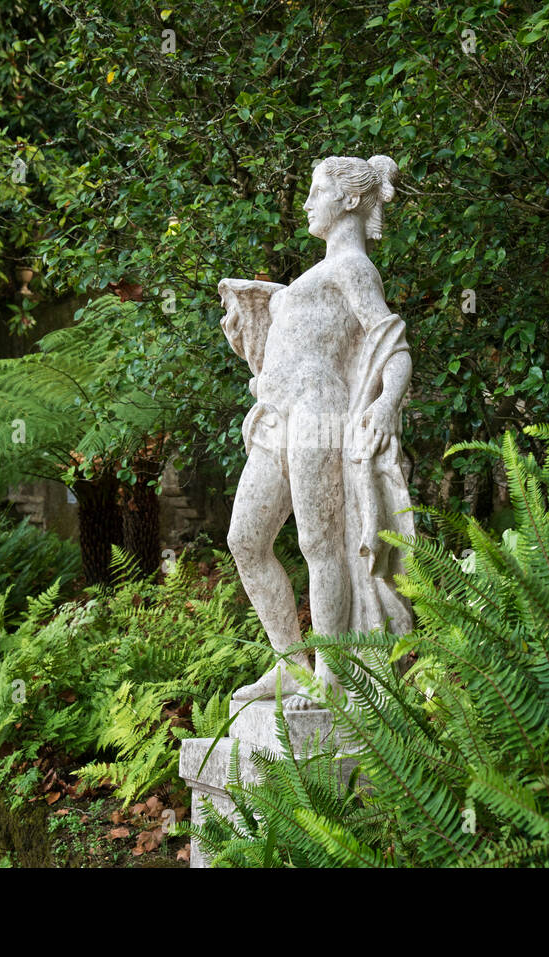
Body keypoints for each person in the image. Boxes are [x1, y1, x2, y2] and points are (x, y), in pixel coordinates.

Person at [218, 155, 414, 709]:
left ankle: (331, 670)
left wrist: (383, 407)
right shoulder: (317, 273)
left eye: (316, 192)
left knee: (318, 542)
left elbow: (393, 348)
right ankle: (290, 666)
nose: (306, 203)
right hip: (275, 414)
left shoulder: (353, 267)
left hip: (318, 411)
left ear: (349, 201)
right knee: (245, 541)